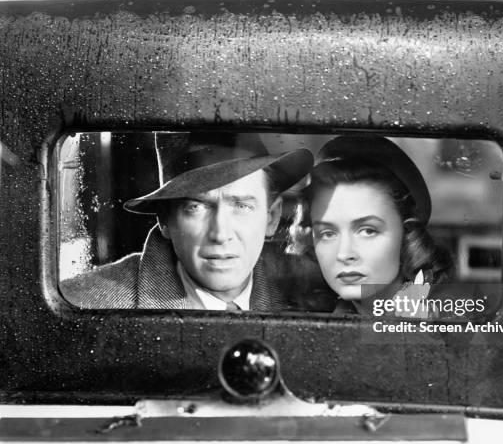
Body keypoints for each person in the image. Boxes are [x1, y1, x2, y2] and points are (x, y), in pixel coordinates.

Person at [61, 132, 313, 310]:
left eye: (242, 206)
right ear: (165, 220)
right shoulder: (83, 305)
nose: (221, 233)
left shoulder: (310, 290)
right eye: (196, 207)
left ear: (272, 217)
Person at [288, 135, 453, 315]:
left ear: (406, 236)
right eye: (327, 233)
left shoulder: (454, 327)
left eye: (367, 231)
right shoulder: (308, 326)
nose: (344, 254)